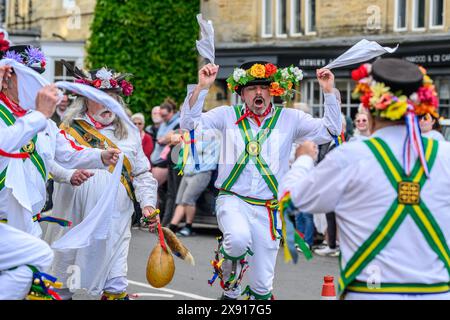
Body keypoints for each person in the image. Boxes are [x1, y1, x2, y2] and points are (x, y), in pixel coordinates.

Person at [280, 58, 450, 300]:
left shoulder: (350, 157)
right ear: (422, 107)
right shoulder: (446, 156)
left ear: (369, 108)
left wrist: (304, 159)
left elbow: (290, 200)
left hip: (370, 293)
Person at [181, 61, 342, 300]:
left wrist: (329, 91)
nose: (259, 92)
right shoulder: (226, 115)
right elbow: (189, 125)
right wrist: (202, 87)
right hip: (233, 199)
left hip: (269, 208)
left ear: (274, 91)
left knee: (262, 286)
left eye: (265, 87)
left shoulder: (290, 118)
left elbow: (329, 130)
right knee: (236, 239)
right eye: (252, 88)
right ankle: (230, 291)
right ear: (242, 93)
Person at [44, 65, 158, 300]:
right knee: (62, 283)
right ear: (85, 100)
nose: (108, 104)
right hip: (73, 221)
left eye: (113, 98)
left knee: (115, 285)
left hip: (114, 224)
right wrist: (68, 175)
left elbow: (142, 174)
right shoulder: (67, 130)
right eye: (101, 98)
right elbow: (51, 164)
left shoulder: (130, 133)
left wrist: (148, 204)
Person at [0, 44, 120, 237]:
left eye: (37, 77)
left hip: (29, 226)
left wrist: (101, 156)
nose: (36, 84)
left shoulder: (43, 121)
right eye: (27, 76)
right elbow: (8, 143)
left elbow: (67, 151)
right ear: (5, 80)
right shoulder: (27, 117)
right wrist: (40, 116)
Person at [168, 129, 220, 236]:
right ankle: (171, 228)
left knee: (188, 200)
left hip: (202, 172)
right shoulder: (193, 136)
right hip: (188, 172)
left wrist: (185, 140)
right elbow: (184, 147)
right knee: (181, 201)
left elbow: (196, 149)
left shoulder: (213, 136)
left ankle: (188, 227)